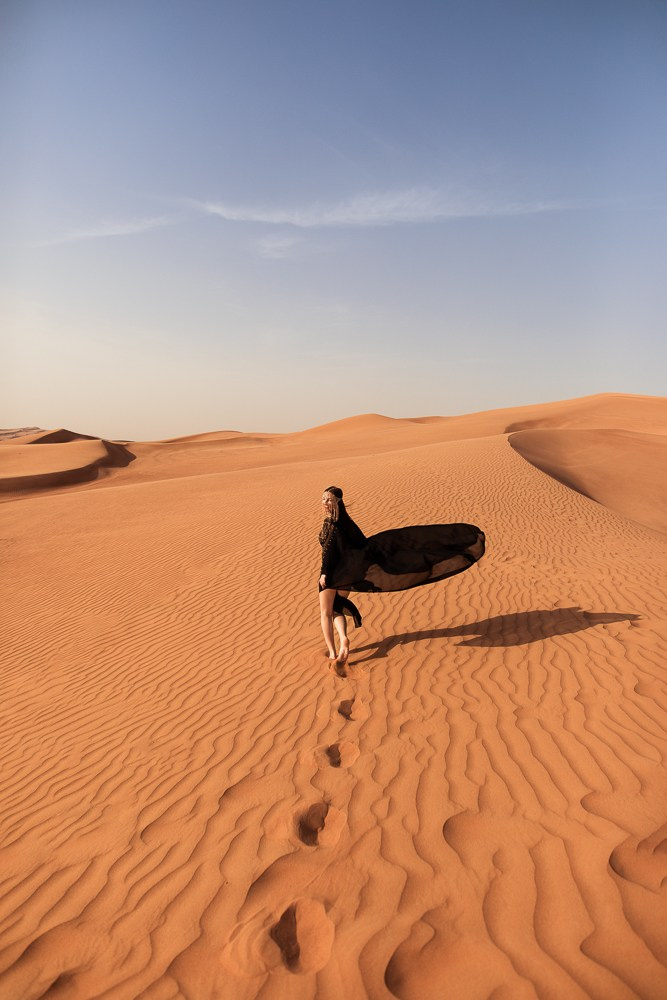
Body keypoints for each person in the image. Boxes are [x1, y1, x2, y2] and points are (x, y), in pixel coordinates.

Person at [318, 485, 485, 665]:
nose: (325, 502)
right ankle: (343, 638)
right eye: (323, 499)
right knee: (337, 608)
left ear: (337, 502)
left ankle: (333, 654)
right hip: (348, 574)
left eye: (328, 499)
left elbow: (327, 552)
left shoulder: (331, 524)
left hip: (333, 574)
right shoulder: (347, 522)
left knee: (326, 613)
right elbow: (361, 543)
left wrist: (323, 573)